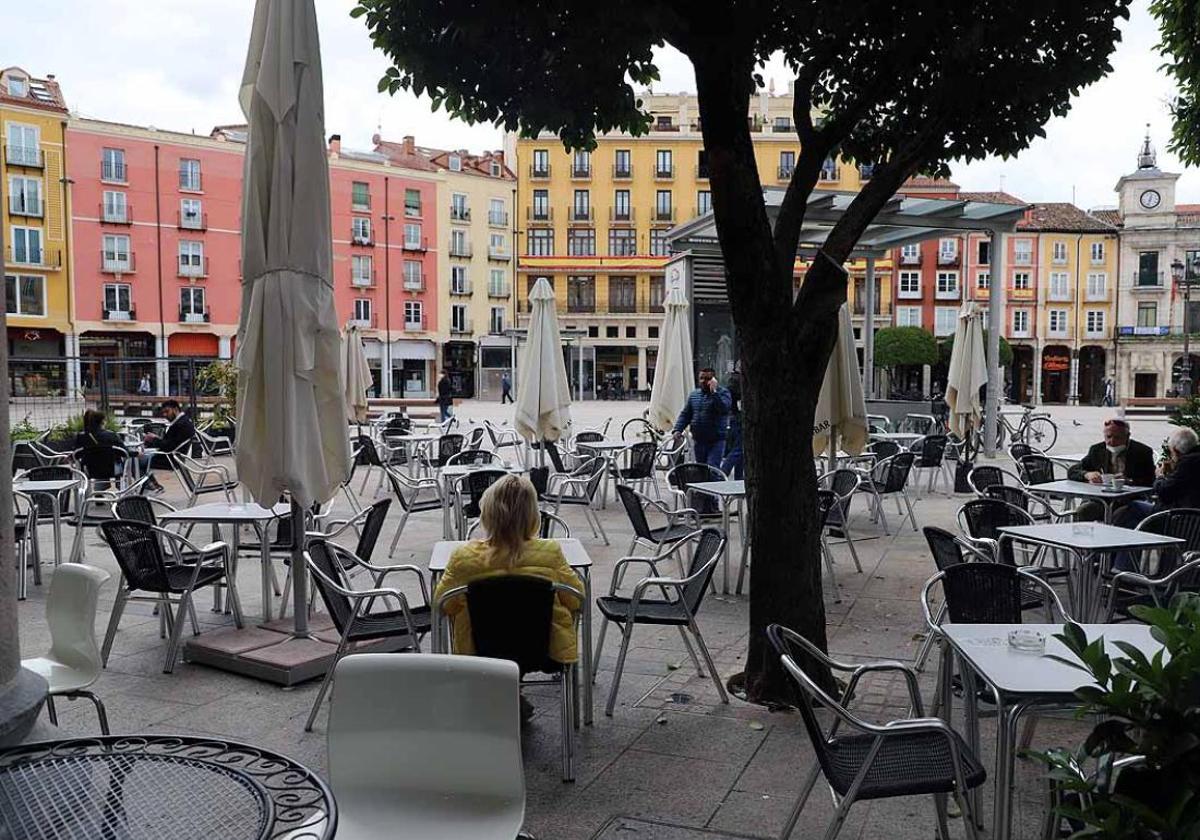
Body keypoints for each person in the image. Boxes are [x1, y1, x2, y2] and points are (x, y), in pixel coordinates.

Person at [432, 475, 582, 721]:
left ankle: (503, 699)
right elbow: (576, 599)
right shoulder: (551, 553)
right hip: (542, 649)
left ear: (487, 513)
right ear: (533, 515)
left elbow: (443, 603)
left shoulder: (463, 558)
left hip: (481, 650)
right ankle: (512, 698)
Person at [1067, 417, 1156, 521]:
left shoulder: (1142, 452)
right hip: (1100, 499)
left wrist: (1129, 481)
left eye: (1118, 437)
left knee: (1121, 516)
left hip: (1129, 500)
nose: (1112, 441)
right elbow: (1073, 471)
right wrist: (1087, 474)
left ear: (1127, 436)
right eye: (1108, 437)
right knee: (1084, 511)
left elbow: (1150, 480)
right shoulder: (1097, 450)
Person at [672, 367, 732, 468]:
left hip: (716, 440)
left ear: (714, 380)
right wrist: (678, 429)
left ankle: (715, 483)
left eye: (707, 379)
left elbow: (724, 408)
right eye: (701, 378)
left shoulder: (723, 393)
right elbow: (686, 414)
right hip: (699, 440)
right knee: (700, 469)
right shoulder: (694, 395)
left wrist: (714, 393)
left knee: (712, 468)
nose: (704, 381)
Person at [138, 399, 196, 493]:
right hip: (175, 456)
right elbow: (170, 443)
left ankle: (152, 487)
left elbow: (168, 446)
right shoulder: (184, 421)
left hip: (169, 458)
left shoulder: (180, 425)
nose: (165, 415)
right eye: (163, 412)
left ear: (176, 409)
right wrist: (156, 439)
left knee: (135, 461)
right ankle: (151, 486)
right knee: (139, 457)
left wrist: (154, 439)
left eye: (167, 411)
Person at [73, 409, 124, 486]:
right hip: (112, 470)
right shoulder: (112, 435)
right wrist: (137, 453)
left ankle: (95, 492)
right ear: (103, 421)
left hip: (90, 470)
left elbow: (77, 454)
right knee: (119, 460)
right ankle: (119, 487)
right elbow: (124, 452)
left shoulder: (82, 437)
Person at [720, 370, 744, 479]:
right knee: (739, 449)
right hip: (740, 419)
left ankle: (738, 479)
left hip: (735, 418)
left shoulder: (733, 380)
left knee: (740, 451)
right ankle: (724, 472)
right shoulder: (739, 381)